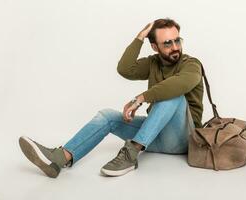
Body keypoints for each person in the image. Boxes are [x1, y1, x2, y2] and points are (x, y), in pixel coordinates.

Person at [19, 18, 204, 178]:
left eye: (177, 40)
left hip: (183, 138)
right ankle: (61, 159)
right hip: (154, 135)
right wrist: (140, 37)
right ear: (155, 47)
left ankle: (131, 155)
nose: (175, 47)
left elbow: (180, 84)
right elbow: (125, 69)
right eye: (167, 43)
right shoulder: (153, 63)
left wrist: (140, 98)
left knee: (173, 96)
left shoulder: (192, 65)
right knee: (107, 115)